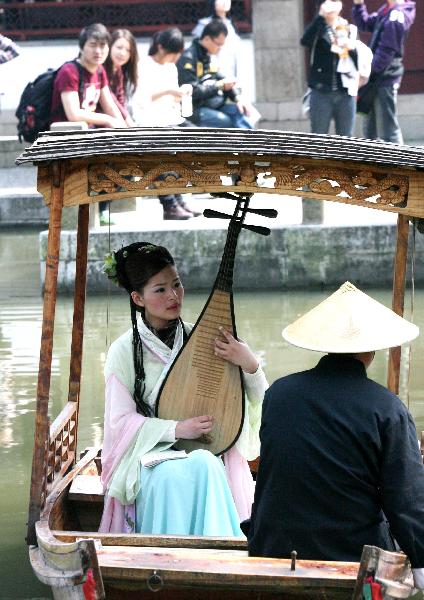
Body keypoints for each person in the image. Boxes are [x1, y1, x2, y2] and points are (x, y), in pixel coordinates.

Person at [247, 281, 424, 590]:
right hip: (352, 554)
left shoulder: (279, 393)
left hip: (272, 545)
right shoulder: (387, 408)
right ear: (371, 350)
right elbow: (406, 500)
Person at [99, 242, 268, 536]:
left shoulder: (202, 338)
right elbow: (120, 424)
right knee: (177, 474)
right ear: (138, 298)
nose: (173, 295)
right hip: (149, 457)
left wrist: (250, 365)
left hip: (206, 449)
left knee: (205, 463)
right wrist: (176, 429)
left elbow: (255, 403)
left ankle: (215, 557)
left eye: (177, 284)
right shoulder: (123, 351)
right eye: (160, 289)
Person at [50, 23, 127, 225]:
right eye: (93, 45)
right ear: (82, 46)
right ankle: (101, 207)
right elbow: (73, 114)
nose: (98, 51)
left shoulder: (100, 71)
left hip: (89, 133)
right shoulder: (70, 72)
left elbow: (109, 105)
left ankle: (104, 206)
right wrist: (110, 121)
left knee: (124, 151)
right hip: (68, 136)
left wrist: (125, 128)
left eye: (103, 46)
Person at [132, 28, 200, 220]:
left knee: (197, 139)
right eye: (171, 52)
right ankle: (170, 202)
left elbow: (171, 101)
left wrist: (180, 95)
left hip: (170, 118)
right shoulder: (143, 65)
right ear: (160, 47)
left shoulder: (171, 68)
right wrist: (169, 91)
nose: (173, 57)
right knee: (164, 152)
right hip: (149, 121)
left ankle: (180, 196)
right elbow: (140, 100)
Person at [301, 0, 372, 137]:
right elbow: (305, 41)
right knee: (318, 137)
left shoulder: (349, 29)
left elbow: (359, 60)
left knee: (345, 140)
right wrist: (320, 18)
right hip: (321, 91)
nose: (331, 6)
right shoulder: (318, 28)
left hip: (346, 92)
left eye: (335, 1)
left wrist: (350, 46)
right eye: (327, 2)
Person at [352, 0, 416, 144]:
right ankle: (370, 165)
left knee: (389, 132)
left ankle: (400, 164)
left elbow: (386, 52)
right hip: (374, 79)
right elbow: (365, 23)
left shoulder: (397, 15)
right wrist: (358, 5)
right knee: (369, 131)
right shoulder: (387, 9)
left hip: (385, 79)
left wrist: (365, 73)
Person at [177, 19, 252, 129]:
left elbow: (223, 79)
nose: (220, 49)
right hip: (195, 109)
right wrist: (219, 86)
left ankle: (254, 142)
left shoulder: (208, 55)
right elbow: (193, 91)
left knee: (240, 111)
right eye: (218, 44)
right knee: (225, 121)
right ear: (207, 39)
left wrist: (238, 98)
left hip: (214, 104)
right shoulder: (188, 58)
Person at [192, 0, 240, 80]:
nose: (224, 2)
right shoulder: (204, 24)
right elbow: (198, 49)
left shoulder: (231, 25)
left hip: (230, 68)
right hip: (210, 69)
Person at [104, 28, 138, 127]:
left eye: (128, 50)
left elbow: (120, 100)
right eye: (119, 48)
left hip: (114, 118)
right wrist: (128, 124)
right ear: (110, 46)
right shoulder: (100, 70)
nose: (123, 53)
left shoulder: (118, 70)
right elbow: (112, 100)